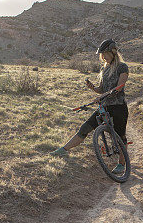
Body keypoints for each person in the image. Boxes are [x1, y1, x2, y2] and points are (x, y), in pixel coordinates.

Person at [50, 39, 129, 174]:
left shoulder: (122, 67)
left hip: (118, 107)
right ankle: (63, 150)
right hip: (105, 106)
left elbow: (119, 87)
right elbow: (101, 89)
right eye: (102, 54)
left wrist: (103, 94)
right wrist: (93, 88)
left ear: (113, 52)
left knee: (120, 137)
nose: (103, 56)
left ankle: (122, 164)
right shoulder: (105, 69)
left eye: (105, 53)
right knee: (85, 128)